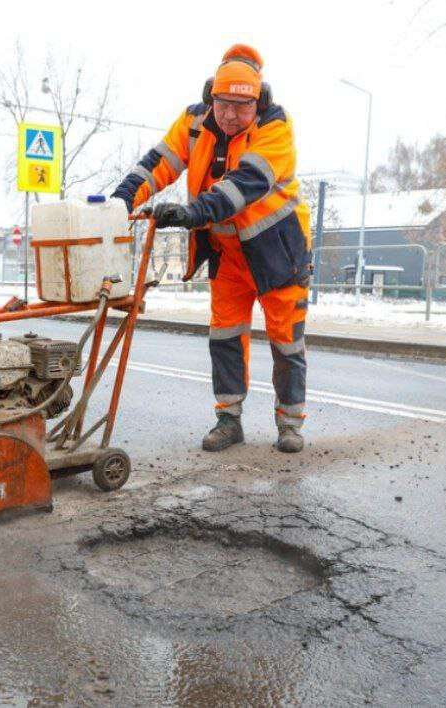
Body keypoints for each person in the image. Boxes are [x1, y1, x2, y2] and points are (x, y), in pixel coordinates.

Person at [111, 45, 311, 453]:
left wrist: (191, 213)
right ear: (210, 97)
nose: (231, 114)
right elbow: (157, 163)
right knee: (225, 337)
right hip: (229, 256)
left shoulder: (275, 128)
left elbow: (243, 185)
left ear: (259, 102)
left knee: (286, 341)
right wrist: (120, 201)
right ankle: (229, 419)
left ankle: (290, 424)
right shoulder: (194, 123)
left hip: (278, 255)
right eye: (223, 103)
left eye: (242, 106)